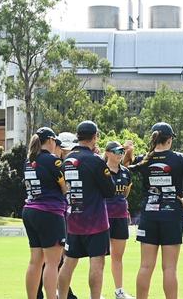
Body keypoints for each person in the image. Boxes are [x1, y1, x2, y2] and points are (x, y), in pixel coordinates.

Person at [125, 122, 183, 299]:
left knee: (145, 266)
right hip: (172, 215)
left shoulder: (145, 159)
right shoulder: (180, 158)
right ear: (169, 139)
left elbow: (124, 169)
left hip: (149, 215)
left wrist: (128, 153)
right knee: (169, 268)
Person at [58, 121, 116, 299]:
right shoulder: (95, 160)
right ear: (95, 137)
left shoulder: (67, 160)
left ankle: (60, 296)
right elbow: (110, 190)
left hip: (73, 219)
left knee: (68, 262)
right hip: (96, 222)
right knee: (97, 262)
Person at [22, 127, 68, 299]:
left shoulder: (28, 160)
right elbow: (64, 188)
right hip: (49, 212)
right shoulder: (53, 161)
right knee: (52, 262)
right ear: (50, 141)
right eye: (55, 141)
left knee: (35, 261)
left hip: (30, 210)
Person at [36, 131, 79, 299]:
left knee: (50, 258)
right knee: (50, 258)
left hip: (58, 212)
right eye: (68, 149)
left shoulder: (54, 163)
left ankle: (63, 293)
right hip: (52, 213)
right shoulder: (55, 164)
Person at [104, 141, 135, 299]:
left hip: (121, 217)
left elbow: (125, 193)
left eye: (122, 151)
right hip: (102, 217)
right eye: (116, 151)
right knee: (99, 256)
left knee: (118, 257)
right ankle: (97, 293)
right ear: (108, 153)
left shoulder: (126, 172)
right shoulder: (101, 171)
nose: (120, 153)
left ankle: (119, 291)